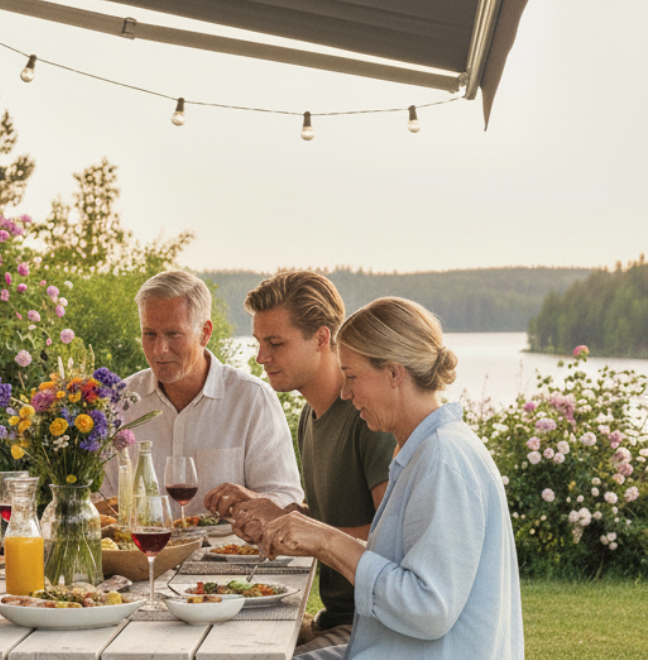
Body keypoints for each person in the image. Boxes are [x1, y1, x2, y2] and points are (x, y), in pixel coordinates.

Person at [258, 298, 524, 660]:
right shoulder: (422, 449)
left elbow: (429, 609)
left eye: (352, 376)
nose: (346, 393)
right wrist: (314, 536)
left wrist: (326, 541)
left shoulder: (443, 459)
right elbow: (400, 566)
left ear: (394, 373)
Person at [207, 271, 395, 655]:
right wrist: (274, 512)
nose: (261, 357)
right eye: (259, 343)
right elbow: (332, 517)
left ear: (322, 338)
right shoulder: (310, 416)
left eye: (275, 343)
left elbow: (391, 541)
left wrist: (291, 523)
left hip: (371, 626)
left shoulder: (368, 418)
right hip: (333, 618)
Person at [101, 270, 302, 508]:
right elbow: (98, 499)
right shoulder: (118, 403)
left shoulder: (252, 398)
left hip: (228, 535)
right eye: (149, 334)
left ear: (205, 333)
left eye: (173, 334)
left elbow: (287, 499)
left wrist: (252, 500)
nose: (159, 349)